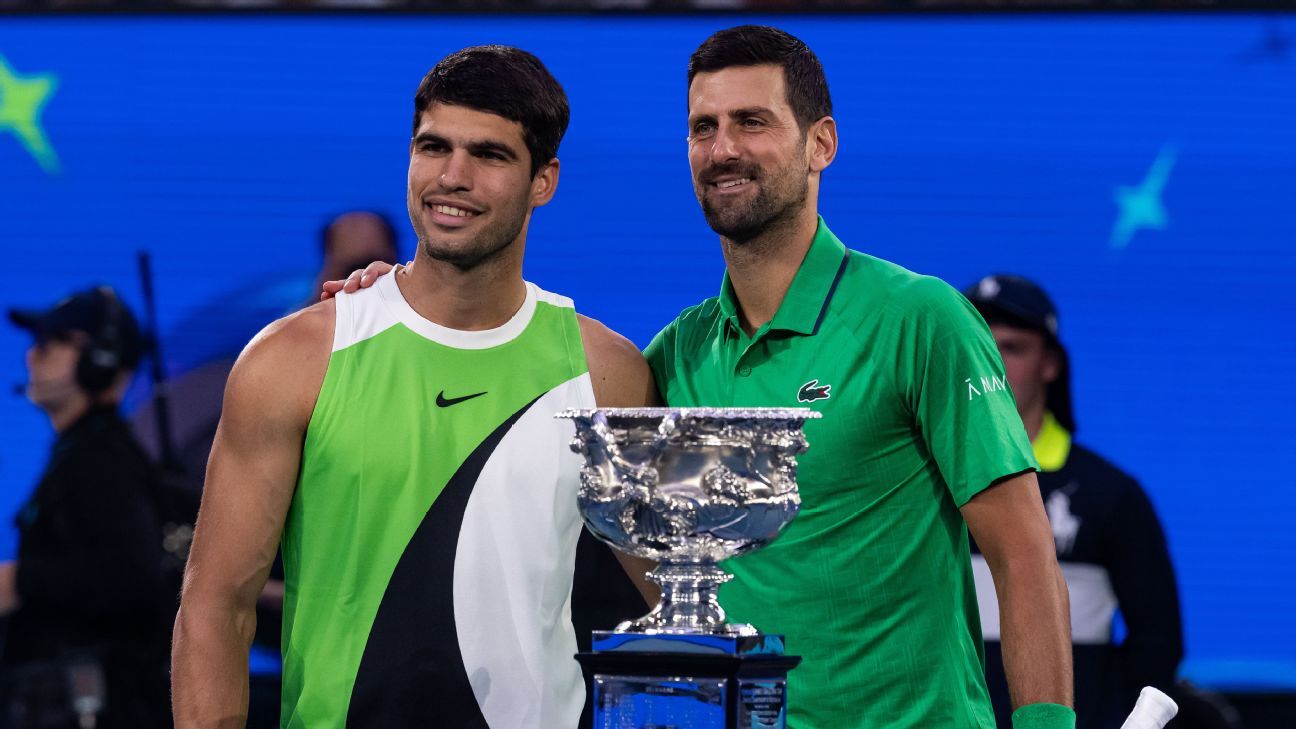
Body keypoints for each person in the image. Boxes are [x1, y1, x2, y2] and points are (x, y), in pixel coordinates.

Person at [332, 26, 1075, 729]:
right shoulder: (673, 356)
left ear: (821, 143)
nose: (723, 150)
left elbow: (1022, 552)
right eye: (703, 128)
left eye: (752, 122)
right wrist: (399, 296)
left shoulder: (921, 319)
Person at [170, 45, 655, 729]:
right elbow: (216, 606)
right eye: (434, 147)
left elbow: (676, 603)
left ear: (543, 180)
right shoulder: (293, 359)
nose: (452, 177)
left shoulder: (606, 371)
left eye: (488, 154)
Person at [964, 273, 1183, 729]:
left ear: (1050, 364)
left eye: (1012, 348)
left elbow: (1158, 639)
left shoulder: (1112, 494)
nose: (991, 365)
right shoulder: (918, 483)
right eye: (978, 347)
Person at [2, 286, 170, 729]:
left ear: (101, 360)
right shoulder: (83, 452)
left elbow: (130, 576)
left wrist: (21, 581)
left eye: (51, 343)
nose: (31, 356)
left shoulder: (101, 461)